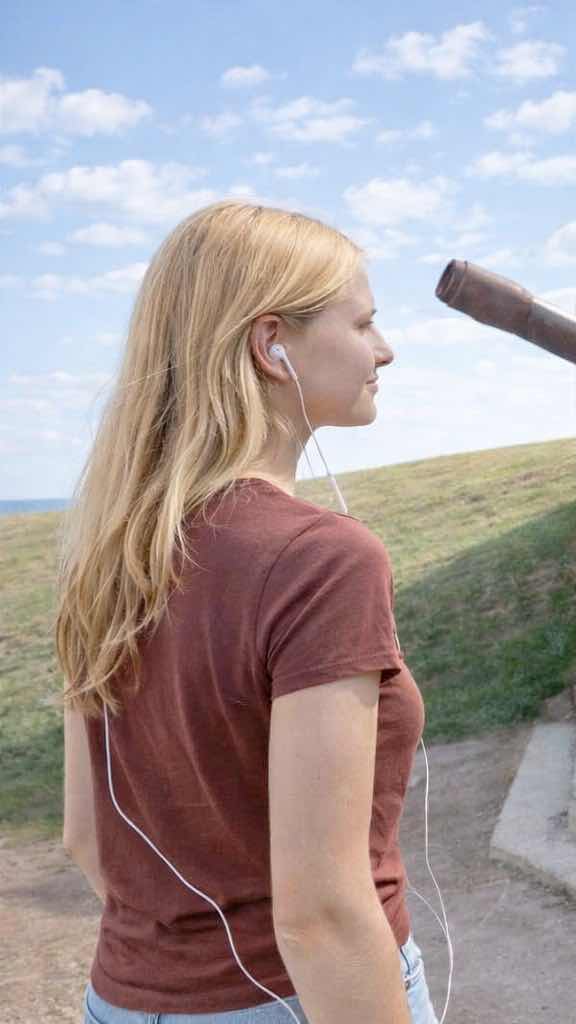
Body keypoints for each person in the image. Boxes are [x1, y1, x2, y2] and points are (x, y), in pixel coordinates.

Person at [55, 201, 438, 1023]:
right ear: (272, 345)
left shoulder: (106, 555)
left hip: (119, 1000)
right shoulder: (320, 558)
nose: (384, 349)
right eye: (362, 323)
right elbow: (321, 915)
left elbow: (87, 838)